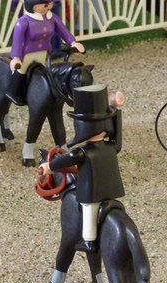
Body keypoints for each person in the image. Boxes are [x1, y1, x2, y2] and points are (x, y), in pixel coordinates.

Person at [39, 84, 126, 253]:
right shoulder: (112, 147)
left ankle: (89, 241)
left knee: (88, 208)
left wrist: (49, 166)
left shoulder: (81, 152)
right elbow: (118, 138)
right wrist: (117, 111)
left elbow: (66, 160)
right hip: (111, 189)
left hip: (92, 191)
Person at [6, 0, 84, 106]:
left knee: (45, 74)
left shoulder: (52, 18)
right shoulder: (23, 22)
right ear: (31, 2)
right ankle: (13, 92)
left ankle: (39, 94)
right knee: (22, 71)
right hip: (27, 54)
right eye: (45, 5)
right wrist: (16, 57)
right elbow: (17, 41)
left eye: (51, 4)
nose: (49, 7)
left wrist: (73, 42)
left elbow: (63, 30)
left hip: (44, 53)